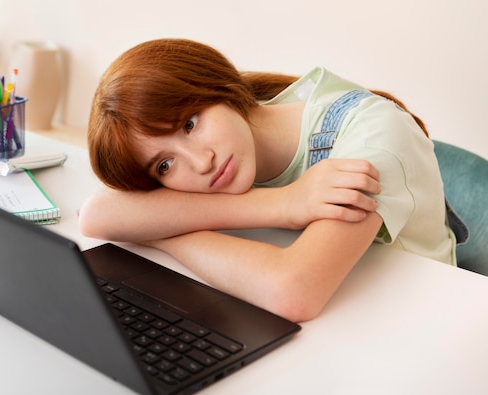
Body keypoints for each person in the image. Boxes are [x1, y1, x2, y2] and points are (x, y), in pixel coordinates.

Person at [78, 38, 456, 322]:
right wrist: (284, 204)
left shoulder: (371, 136)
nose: (201, 161)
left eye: (190, 124)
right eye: (164, 165)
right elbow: (96, 216)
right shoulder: (236, 148)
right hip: (338, 325)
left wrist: (160, 232)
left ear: (219, 85)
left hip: (418, 320)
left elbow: (293, 291)